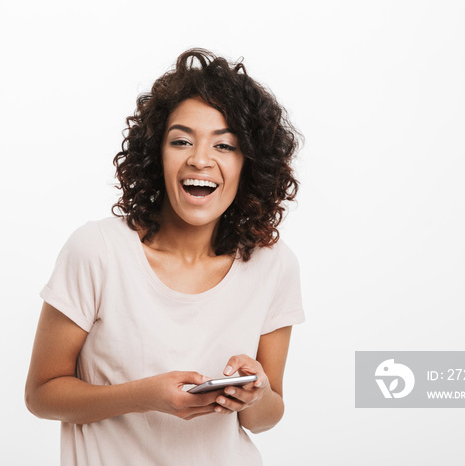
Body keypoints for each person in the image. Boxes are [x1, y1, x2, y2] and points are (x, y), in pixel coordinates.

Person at [25, 48, 305, 465]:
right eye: (181, 141)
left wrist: (256, 393)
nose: (200, 159)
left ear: (251, 163)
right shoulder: (97, 251)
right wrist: (145, 396)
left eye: (225, 145)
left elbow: (265, 417)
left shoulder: (273, 265)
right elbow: (42, 394)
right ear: (157, 153)